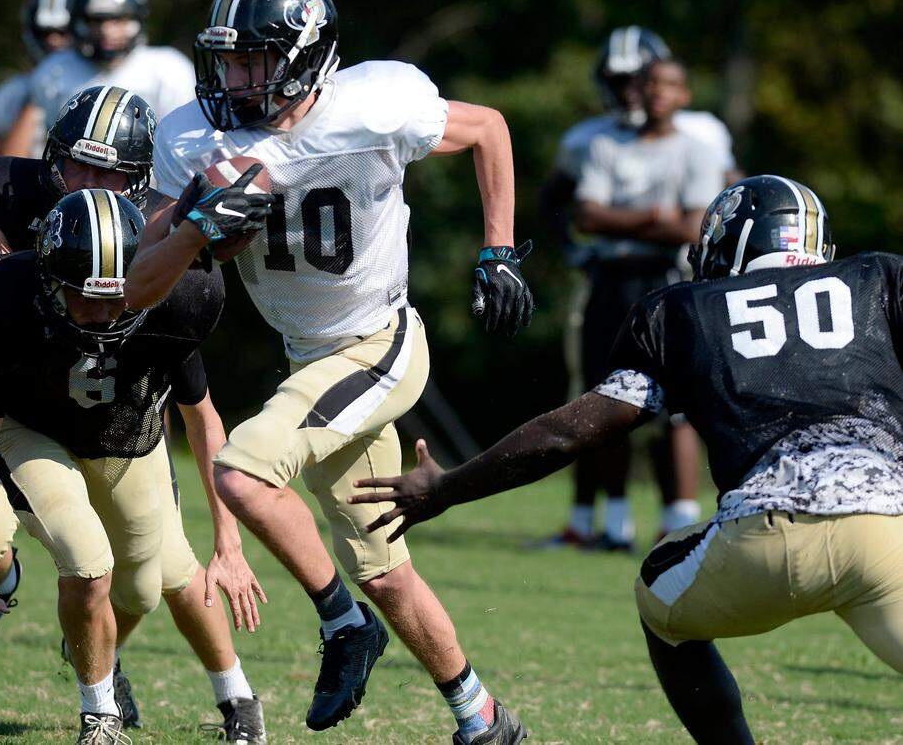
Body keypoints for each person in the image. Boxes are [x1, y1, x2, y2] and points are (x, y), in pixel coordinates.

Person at [124, 0, 532, 743]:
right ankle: (482, 719)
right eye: (228, 59)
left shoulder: (374, 106)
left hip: (380, 340)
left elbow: (489, 128)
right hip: (308, 360)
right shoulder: (194, 139)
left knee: (242, 471)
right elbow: (140, 284)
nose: (236, 79)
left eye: (255, 60)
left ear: (307, 57)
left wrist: (500, 251)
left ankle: (343, 626)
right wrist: (192, 229)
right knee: (385, 569)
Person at [351, 175, 903, 744]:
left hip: (770, 539)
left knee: (657, 594)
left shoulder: (684, 311)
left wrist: (447, 488)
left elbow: (570, 433)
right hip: (889, 536)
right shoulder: (881, 279)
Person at [0, 85, 268, 742]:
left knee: (155, 582)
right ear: (52, 158)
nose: (89, 183)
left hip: (122, 427)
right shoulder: (14, 234)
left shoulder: (167, 272)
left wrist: (230, 540)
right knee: (10, 549)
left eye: (111, 173)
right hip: (30, 417)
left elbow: (200, 410)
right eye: (79, 165)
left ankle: (202, 687)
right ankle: (79, 675)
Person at [541, 26, 739, 548]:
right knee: (599, 395)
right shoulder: (596, 140)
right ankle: (606, 522)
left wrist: (630, 221)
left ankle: (678, 517)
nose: (636, 92)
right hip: (608, 277)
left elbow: (717, 211)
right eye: (625, 81)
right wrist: (582, 242)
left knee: (675, 401)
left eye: (645, 80)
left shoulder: (702, 137)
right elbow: (568, 207)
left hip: (672, 276)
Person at [5, 0, 195, 157]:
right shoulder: (55, 70)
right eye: (96, 21)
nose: (107, 31)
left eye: (118, 20)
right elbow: (23, 150)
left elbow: (183, 148)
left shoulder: (168, 69)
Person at [0, 0, 74, 154]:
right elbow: (8, 161)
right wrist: (37, 96)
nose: (54, 40)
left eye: (63, 31)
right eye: (45, 32)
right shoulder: (12, 94)